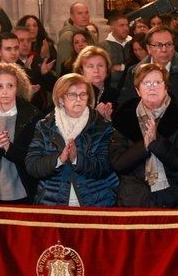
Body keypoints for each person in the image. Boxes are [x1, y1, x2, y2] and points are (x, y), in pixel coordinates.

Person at [111, 63, 178, 208]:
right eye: (146, 83)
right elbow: (118, 163)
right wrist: (144, 145)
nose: (152, 87)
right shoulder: (124, 117)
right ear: (138, 90)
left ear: (166, 88)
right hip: (134, 198)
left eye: (157, 82)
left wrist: (156, 143)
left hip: (175, 197)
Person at [26, 73, 118, 206]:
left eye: (83, 94)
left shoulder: (101, 125)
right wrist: (59, 159)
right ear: (61, 99)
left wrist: (77, 159)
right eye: (72, 95)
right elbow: (32, 166)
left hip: (96, 201)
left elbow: (105, 166)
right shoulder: (44, 126)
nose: (79, 99)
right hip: (52, 202)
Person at [0, 63, 42, 204]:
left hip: (23, 191)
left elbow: (35, 159)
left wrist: (9, 148)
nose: (5, 91)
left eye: (10, 86)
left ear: (18, 88)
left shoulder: (32, 115)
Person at [72, 46, 120, 121]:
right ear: (81, 71)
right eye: (90, 66)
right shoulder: (74, 95)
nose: (96, 70)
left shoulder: (116, 95)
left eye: (100, 66)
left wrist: (108, 121)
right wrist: (95, 118)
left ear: (107, 69)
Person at [100, 14, 132, 89]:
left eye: (127, 25)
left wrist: (122, 67)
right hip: (112, 89)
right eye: (121, 25)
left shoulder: (133, 43)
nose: (126, 28)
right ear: (112, 28)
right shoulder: (103, 47)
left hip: (133, 89)